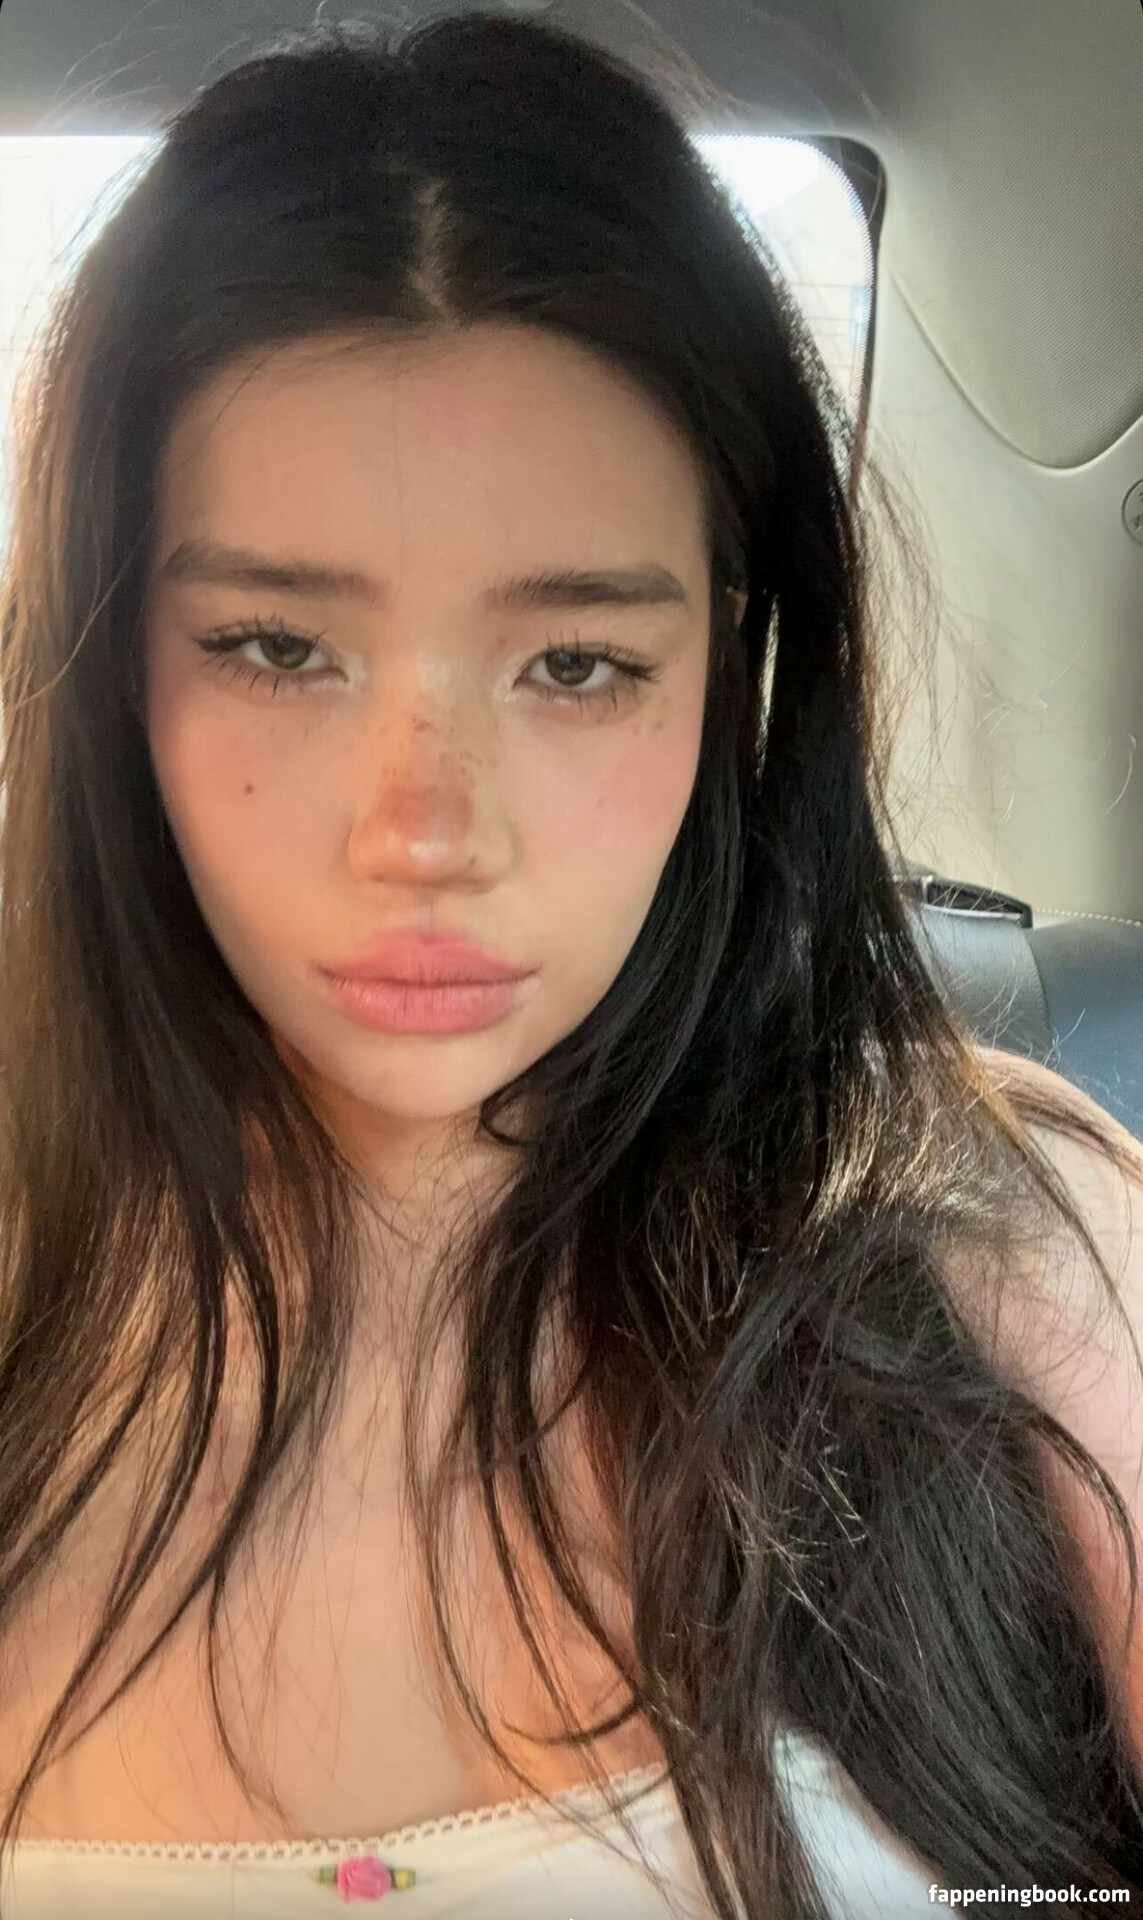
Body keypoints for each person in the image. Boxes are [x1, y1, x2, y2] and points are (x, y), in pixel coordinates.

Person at [0, 8, 1142, 1917]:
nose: (425, 833)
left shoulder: (1002, 1243)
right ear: (116, 668)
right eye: (276, 648)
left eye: (579, 664)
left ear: (733, 676)